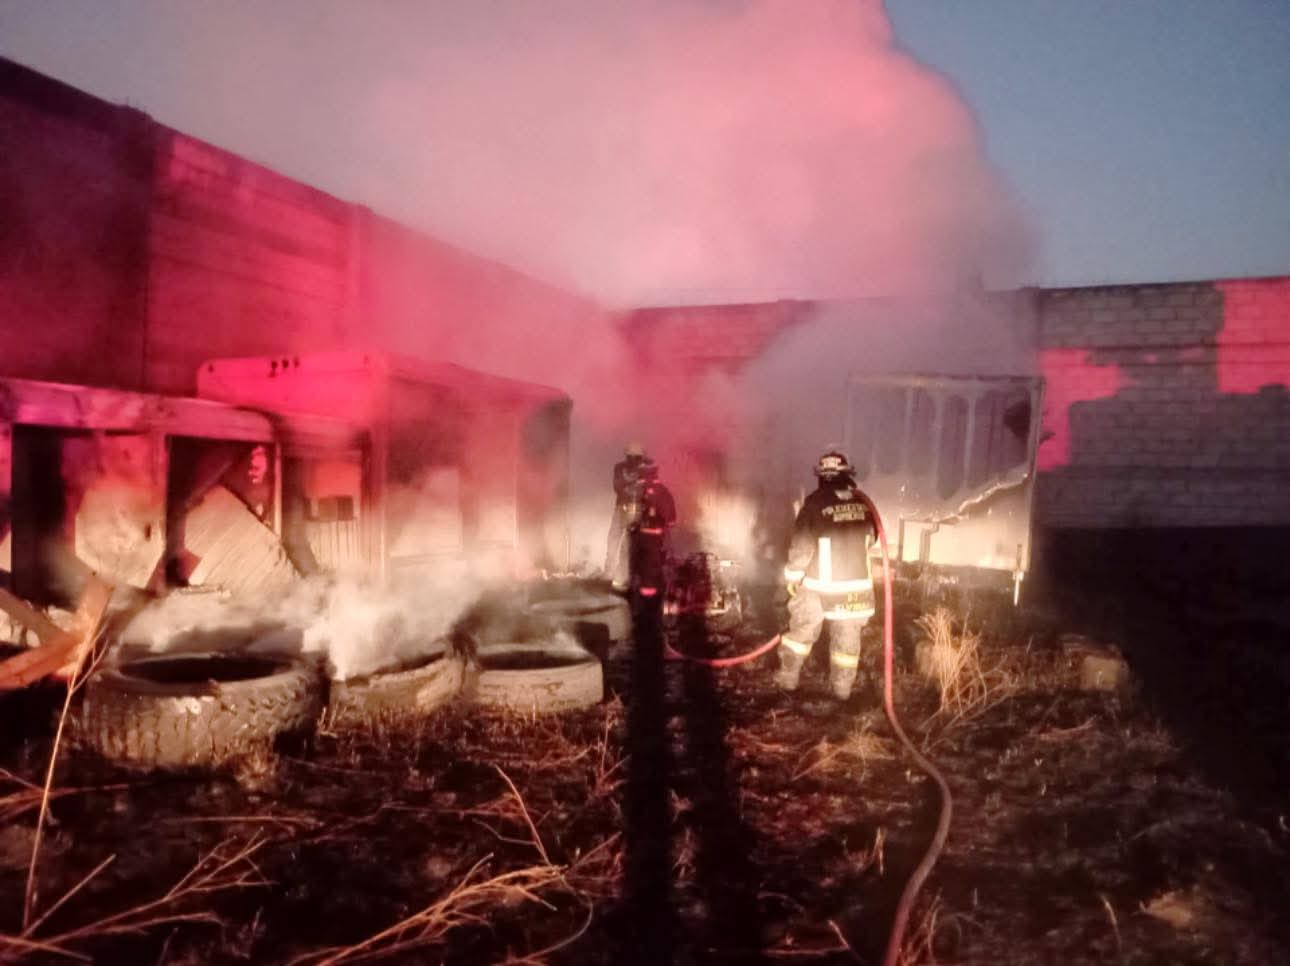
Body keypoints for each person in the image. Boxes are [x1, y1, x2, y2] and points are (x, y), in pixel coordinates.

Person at [776, 450, 877, 700]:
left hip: (819, 584)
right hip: (857, 587)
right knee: (848, 639)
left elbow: (802, 545)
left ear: (821, 476)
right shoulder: (863, 503)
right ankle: (842, 689)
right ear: (847, 475)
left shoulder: (814, 503)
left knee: (802, 630)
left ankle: (788, 679)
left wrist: (792, 577)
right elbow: (873, 538)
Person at [629, 459, 676, 599]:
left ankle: (637, 593)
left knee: (637, 564)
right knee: (654, 566)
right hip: (656, 537)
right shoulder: (663, 491)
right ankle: (651, 597)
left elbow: (629, 515)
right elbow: (671, 519)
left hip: (637, 536)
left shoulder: (635, 490)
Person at [606, 442, 648, 591]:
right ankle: (608, 575)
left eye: (637, 458)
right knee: (613, 540)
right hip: (621, 508)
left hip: (637, 510)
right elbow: (617, 487)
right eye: (632, 458)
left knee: (628, 545)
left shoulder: (646, 469)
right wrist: (633, 481)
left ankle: (625, 577)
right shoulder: (620, 468)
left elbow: (648, 489)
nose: (634, 461)